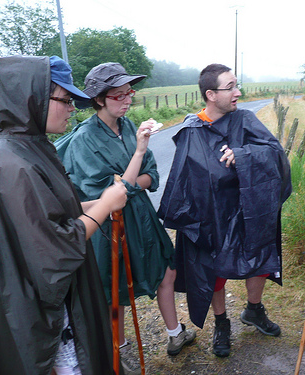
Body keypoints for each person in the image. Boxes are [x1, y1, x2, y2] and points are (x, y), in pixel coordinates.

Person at [0, 55, 129, 375]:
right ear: (33, 99)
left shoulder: (28, 147)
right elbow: (54, 249)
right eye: (66, 99)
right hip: (42, 315)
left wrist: (91, 205)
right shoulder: (12, 164)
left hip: (45, 300)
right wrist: (105, 205)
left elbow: (46, 217)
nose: (72, 108)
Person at [55, 62, 195, 370]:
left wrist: (129, 181)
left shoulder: (129, 126)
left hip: (142, 217)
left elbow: (150, 177)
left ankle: (175, 334)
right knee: (113, 290)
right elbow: (109, 197)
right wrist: (137, 158)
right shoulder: (84, 140)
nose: (127, 100)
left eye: (129, 92)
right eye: (118, 95)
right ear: (99, 99)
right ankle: (117, 352)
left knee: (166, 270)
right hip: (108, 226)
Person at [158, 63, 292, 357]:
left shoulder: (244, 119)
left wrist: (243, 155)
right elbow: (182, 180)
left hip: (250, 207)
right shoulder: (192, 130)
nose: (237, 92)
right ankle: (221, 324)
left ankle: (254, 310)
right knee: (213, 269)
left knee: (260, 259)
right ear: (210, 94)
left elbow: (274, 153)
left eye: (236, 85)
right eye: (230, 87)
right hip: (212, 215)